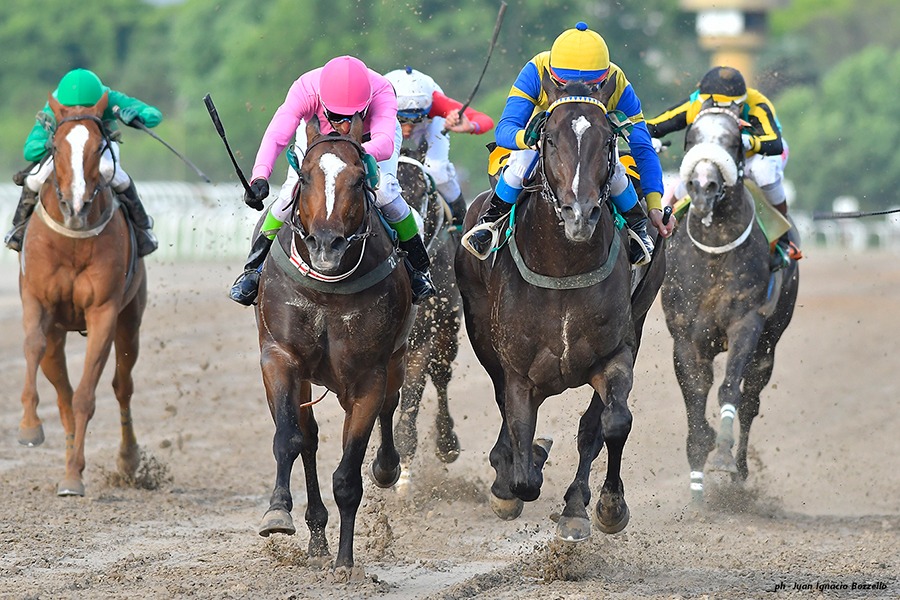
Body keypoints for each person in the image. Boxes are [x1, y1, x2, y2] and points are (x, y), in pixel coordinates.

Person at [228, 55, 437, 307]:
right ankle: (254, 270)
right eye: (337, 116)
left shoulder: (381, 90)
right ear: (323, 102)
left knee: (385, 191)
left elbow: (385, 143)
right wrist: (260, 175)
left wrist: (349, 155)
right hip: (317, 136)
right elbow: (276, 136)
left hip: (368, 141)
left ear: (366, 103)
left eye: (353, 117)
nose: (344, 126)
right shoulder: (305, 90)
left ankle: (418, 270)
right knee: (289, 193)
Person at [461, 21, 675, 263]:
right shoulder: (536, 69)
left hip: (592, 140)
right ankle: (490, 222)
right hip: (544, 141)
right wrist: (526, 138)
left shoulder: (618, 82)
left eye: (591, 88)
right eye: (563, 86)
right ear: (552, 76)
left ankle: (638, 229)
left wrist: (655, 205)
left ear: (605, 79)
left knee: (615, 170)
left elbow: (642, 147)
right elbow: (505, 129)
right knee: (521, 163)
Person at [646, 65, 801, 268]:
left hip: (759, 154)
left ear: (741, 102)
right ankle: (664, 231)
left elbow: (775, 144)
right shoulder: (695, 103)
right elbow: (655, 125)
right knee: (688, 183)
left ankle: (783, 238)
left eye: (730, 107)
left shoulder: (757, 104)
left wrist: (749, 142)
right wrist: (646, 139)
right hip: (720, 155)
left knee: (764, 174)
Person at [5, 68, 160, 256]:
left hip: (97, 144)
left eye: (88, 108)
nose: (79, 111)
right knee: (35, 179)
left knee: (110, 170)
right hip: (64, 146)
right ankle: (19, 227)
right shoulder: (54, 107)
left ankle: (142, 228)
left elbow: (154, 114)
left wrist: (139, 116)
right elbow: (30, 150)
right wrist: (50, 143)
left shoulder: (109, 98)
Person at [383, 66, 494, 228]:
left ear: (427, 110)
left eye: (415, 119)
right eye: (402, 120)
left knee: (437, 170)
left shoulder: (436, 101)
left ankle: (460, 222)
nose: (407, 129)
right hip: (386, 121)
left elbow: (485, 120)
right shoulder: (379, 100)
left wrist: (471, 126)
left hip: (427, 125)